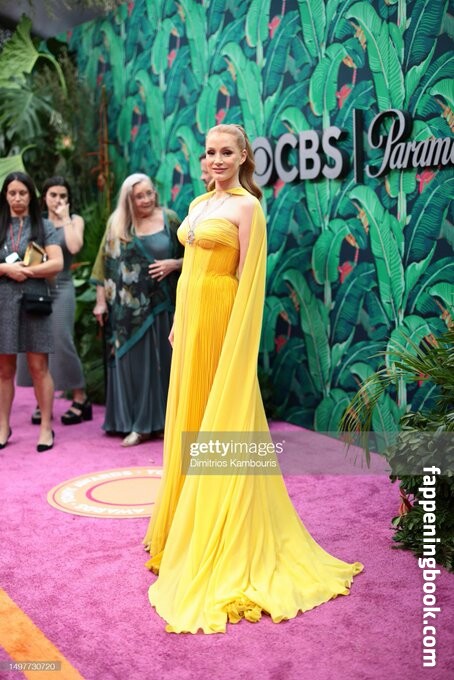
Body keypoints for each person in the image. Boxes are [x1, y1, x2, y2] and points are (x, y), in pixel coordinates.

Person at [143, 124, 363, 634]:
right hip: (191, 320)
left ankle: (220, 532)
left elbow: (248, 279)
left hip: (223, 319)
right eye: (211, 152)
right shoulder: (199, 204)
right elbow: (191, 266)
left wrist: (238, 344)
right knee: (191, 416)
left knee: (219, 420)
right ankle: (184, 528)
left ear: (244, 156)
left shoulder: (248, 208)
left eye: (227, 152)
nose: (217, 159)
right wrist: (178, 318)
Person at [92, 174, 183, 446]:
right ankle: (139, 425)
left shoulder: (170, 219)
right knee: (137, 367)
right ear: (128, 200)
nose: (146, 200)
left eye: (149, 193)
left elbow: (193, 257)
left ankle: (166, 423)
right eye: (139, 196)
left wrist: (174, 264)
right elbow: (104, 264)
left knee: (167, 365)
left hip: (164, 304)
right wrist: (100, 302)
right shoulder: (117, 224)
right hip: (128, 312)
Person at [16, 176, 91, 425]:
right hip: (36, 288)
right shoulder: (35, 222)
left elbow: (75, 246)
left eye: (63, 196)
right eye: (53, 195)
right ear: (44, 197)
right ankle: (43, 401)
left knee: (62, 339)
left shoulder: (75, 220)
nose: (58, 200)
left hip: (62, 286)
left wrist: (65, 217)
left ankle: (80, 397)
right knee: (36, 344)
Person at [0, 172, 63, 452]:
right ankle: (3, 426)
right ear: (5, 195)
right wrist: (6, 269)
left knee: (39, 367)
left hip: (34, 302)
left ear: (31, 196)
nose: (17, 198)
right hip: (3, 303)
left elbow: (57, 263)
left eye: (22, 193)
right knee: (4, 370)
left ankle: (46, 427)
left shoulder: (44, 225)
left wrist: (25, 271)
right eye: (12, 193)